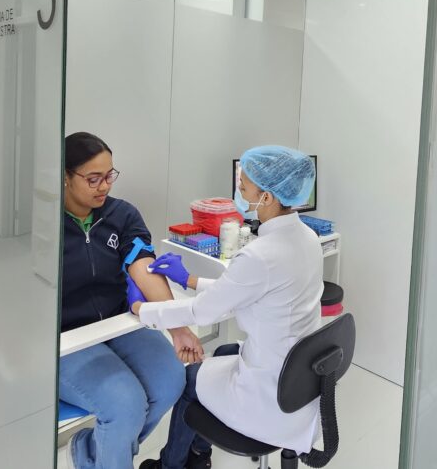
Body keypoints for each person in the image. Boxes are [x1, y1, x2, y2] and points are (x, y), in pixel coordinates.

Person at [135, 146, 322, 469]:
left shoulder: (260, 255)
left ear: (267, 197)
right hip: (298, 378)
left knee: (189, 379)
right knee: (222, 352)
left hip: (269, 396)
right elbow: (247, 291)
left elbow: (203, 312)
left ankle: (171, 465)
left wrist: (143, 311)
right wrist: (189, 279)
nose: (239, 192)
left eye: (244, 186)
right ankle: (199, 455)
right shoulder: (307, 238)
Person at [59, 132, 204, 469]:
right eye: (93, 178)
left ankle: (93, 452)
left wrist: (178, 328)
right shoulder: (44, 224)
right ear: (65, 177)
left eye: (109, 175)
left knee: (170, 381)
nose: (104, 186)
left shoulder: (121, 214)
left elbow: (143, 267)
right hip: (66, 337)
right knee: (125, 405)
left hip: (116, 323)